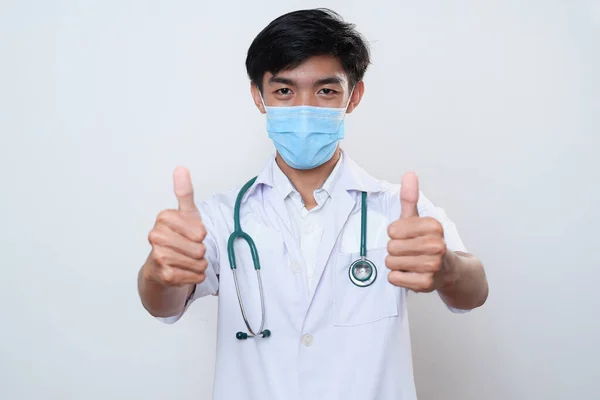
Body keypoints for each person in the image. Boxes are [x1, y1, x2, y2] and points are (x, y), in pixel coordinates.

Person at [137, 8, 488, 400]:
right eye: (284, 91)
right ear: (259, 96)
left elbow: (473, 293)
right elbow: (163, 306)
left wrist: (449, 269)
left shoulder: (396, 208)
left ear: (353, 96)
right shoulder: (219, 218)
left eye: (326, 90)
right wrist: (158, 271)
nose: (304, 109)